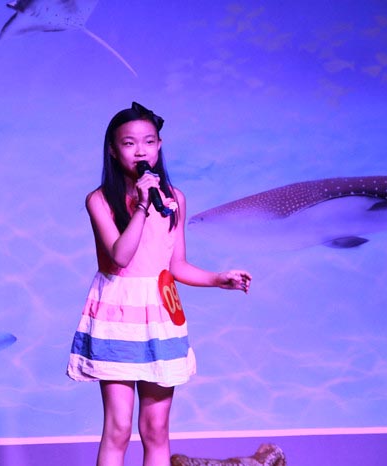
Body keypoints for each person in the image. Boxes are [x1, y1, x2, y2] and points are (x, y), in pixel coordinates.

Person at [67, 102, 252, 466]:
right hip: (118, 316)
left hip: (160, 315)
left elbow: (177, 265)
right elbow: (120, 256)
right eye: (129, 143)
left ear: (159, 145)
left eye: (149, 142)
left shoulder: (174, 199)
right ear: (112, 149)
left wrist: (218, 279)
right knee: (118, 429)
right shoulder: (99, 200)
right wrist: (140, 206)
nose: (141, 151)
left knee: (156, 429)